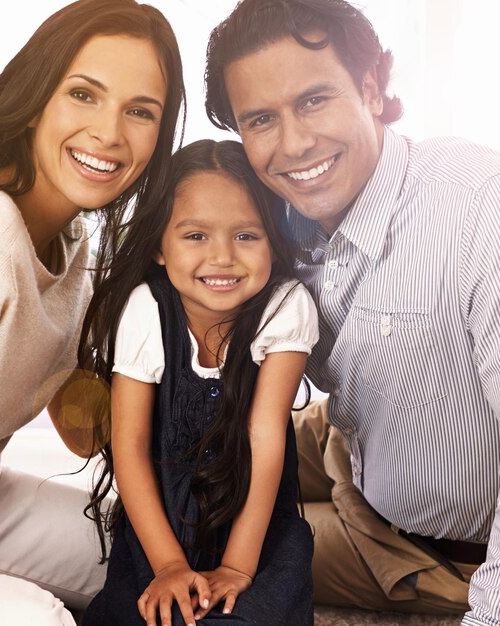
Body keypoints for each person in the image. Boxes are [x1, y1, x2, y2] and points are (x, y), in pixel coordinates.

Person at [0, 1, 185, 624]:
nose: (109, 133)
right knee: (39, 619)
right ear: (38, 94)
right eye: (83, 94)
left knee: (162, 558)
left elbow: (74, 421)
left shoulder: (73, 238)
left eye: (139, 111)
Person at [204, 0, 500, 624]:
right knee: (195, 475)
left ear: (372, 87)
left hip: (422, 545)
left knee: (212, 561)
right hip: (352, 445)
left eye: (314, 100)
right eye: (261, 118)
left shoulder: (481, 207)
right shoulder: (283, 211)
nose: (294, 144)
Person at [80, 139, 318, 626]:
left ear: (274, 237)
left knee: (249, 615)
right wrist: (167, 565)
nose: (223, 257)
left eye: (247, 236)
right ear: (159, 248)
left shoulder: (284, 305)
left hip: (255, 526)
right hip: (163, 526)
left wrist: (237, 566)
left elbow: (266, 435)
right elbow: (130, 442)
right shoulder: (147, 308)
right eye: (195, 236)